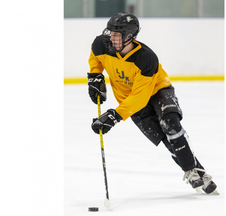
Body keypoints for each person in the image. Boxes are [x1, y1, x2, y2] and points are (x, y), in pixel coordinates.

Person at [87, 12, 218, 195]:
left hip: (157, 90)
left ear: (130, 36)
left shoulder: (146, 58)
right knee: (166, 139)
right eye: (111, 33)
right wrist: (95, 75)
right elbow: (96, 58)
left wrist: (115, 116)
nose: (111, 38)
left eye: (117, 35)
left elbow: (140, 97)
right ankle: (197, 171)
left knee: (170, 125)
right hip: (129, 100)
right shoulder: (101, 43)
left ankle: (190, 169)